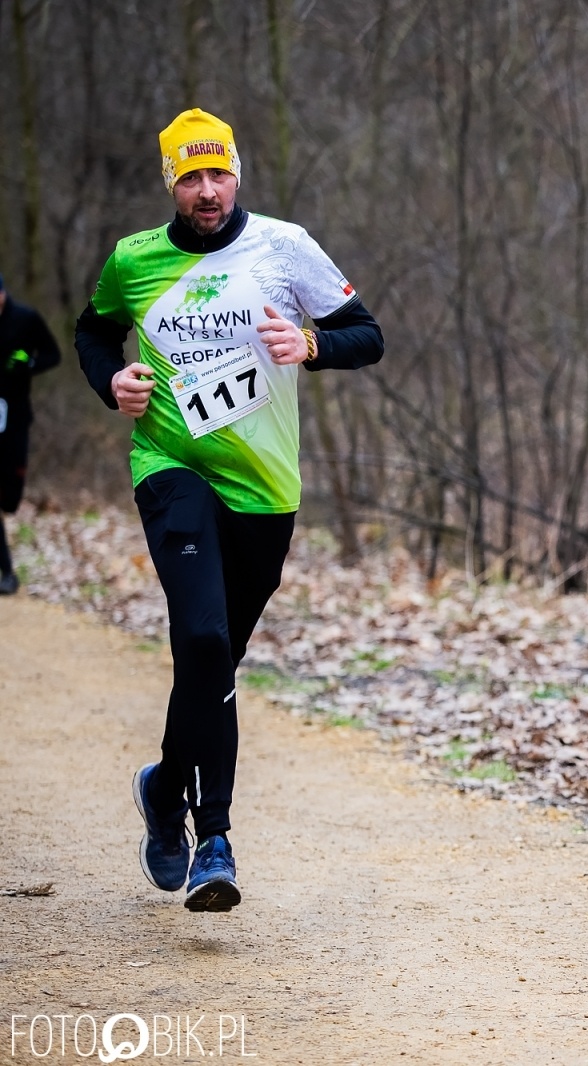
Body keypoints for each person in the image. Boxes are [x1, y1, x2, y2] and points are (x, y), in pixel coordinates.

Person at [75, 109, 383, 912]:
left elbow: (368, 334)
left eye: (218, 174)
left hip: (265, 488)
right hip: (172, 467)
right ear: (170, 182)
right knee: (203, 638)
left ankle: (165, 783)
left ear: (236, 174)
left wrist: (311, 347)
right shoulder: (133, 260)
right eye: (190, 176)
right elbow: (93, 333)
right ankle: (214, 837)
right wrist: (112, 380)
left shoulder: (283, 247)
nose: (206, 191)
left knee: (216, 662)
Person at [0, 272, 63, 594]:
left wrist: (28, 364)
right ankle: (6, 572)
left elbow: (53, 354)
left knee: (9, 497)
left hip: (15, 415)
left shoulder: (25, 318)